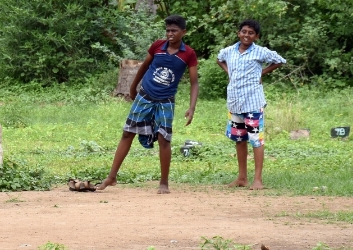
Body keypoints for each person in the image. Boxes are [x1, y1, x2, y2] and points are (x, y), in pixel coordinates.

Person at [97, 15, 199, 194]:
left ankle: (164, 183)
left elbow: (194, 83)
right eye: (167, 30)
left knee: (164, 139)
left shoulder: (188, 54)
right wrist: (132, 87)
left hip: (166, 100)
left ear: (184, 32)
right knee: (128, 133)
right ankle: (112, 177)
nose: (170, 34)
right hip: (145, 95)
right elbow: (144, 66)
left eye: (174, 31)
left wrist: (192, 107)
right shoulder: (157, 46)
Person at [217, 19, 286, 190]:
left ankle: (257, 180)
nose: (246, 35)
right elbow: (219, 59)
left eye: (251, 33)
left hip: (253, 103)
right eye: (244, 32)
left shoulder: (260, 52)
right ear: (238, 33)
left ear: (256, 36)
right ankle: (242, 178)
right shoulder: (229, 51)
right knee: (240, 140)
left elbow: (280, 60)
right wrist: (229, 72)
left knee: (256, 140)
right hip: (235, 104)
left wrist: (262, 72)